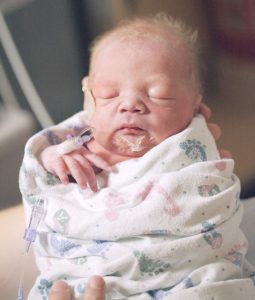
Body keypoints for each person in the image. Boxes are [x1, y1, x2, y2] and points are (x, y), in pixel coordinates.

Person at [20, 13, 255, 300]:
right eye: (108, 94)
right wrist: (49, 158)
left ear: (196, 103)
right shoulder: (76, 143)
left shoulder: (190, 147)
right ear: (87, 94)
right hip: (80, 281)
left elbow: (211, 207)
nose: (130, 104)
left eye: (160, 94)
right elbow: (39, 185)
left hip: (184, 281)